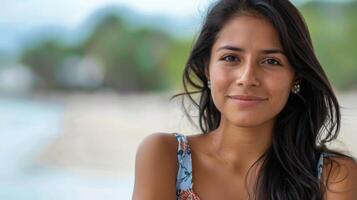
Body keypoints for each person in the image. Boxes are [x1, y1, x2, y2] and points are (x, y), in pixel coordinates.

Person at [132, 0, 357, 199]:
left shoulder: (332, 177)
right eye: (230, 58)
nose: (247, 78)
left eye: (271, 61)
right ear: (207, 69)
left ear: (295, 75)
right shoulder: (164, 156)